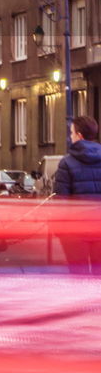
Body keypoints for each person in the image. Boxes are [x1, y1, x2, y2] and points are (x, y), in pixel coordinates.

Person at [54, 115, 101, 275]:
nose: (70, 136)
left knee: (78, 276)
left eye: (72, 133)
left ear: (79, 136)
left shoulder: (67, 163)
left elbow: (61, 201)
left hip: (75, 230)